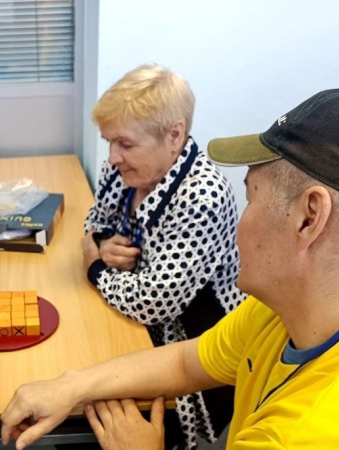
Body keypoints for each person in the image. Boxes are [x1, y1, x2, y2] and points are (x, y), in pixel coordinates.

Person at [0, 88, 339, 450]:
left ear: (308, 218)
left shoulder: (308, 436)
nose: (238, 222)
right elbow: (188, 360)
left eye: (251, 197)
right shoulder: (322, 307)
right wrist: (73, 385)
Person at [83, 64, 244, 447]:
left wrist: (95, 267)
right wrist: (102, 242)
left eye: (125, 144)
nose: (112, 157)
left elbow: (153, 302)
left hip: (195, 346)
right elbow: (93, 223)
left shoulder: (203, 196)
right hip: (134, 325)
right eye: (109, 142)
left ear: (174, 135)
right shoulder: (122, 170)